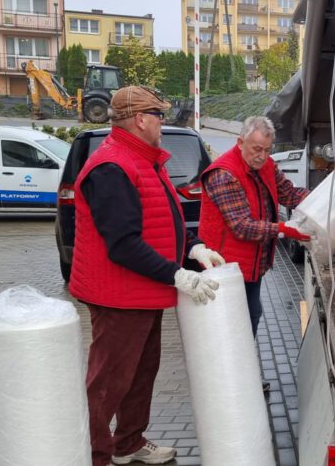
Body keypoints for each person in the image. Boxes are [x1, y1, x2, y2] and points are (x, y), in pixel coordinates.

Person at [68, 85, 225, 466]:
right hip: (118, 295)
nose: (162, 123)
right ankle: (95, 455)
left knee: (140, 373)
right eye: (158, 116)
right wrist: (178, 275)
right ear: (140, 119)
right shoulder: (111, 167)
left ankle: (128, 443)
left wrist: (193, 247)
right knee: (108, 383)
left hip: (142, 292)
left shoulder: (143, 160)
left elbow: (163, 219)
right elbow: (122, 244)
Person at [198, 116, 310, 392]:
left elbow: (289, 194)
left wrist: (323, 198)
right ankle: (231, 383)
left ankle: (240, 376)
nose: (262, 156)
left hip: (250, 264)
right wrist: (285, 229)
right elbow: (241, 226)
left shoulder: (267, 166)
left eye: (267, 150)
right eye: (256, 149)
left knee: (250, 316)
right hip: (225, 266)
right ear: (240, 142)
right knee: (235, 322)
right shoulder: (224, 173)